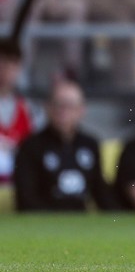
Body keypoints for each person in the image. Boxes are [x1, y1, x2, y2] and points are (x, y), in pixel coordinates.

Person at [14, 78, 117, 211]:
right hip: (43, 223)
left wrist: (118, 217)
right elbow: (26, 197)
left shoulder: (90, 144)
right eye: (58, 104)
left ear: (82, 110)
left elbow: (101, 192)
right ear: (47, 107)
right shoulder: (30, 146)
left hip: (81, 222)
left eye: (70, 106)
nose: (63, 111)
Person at [0, 39, 37, 185]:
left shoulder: (29, 109)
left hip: (18, 181)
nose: (5, 70)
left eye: (11, 64)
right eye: (1, 63)